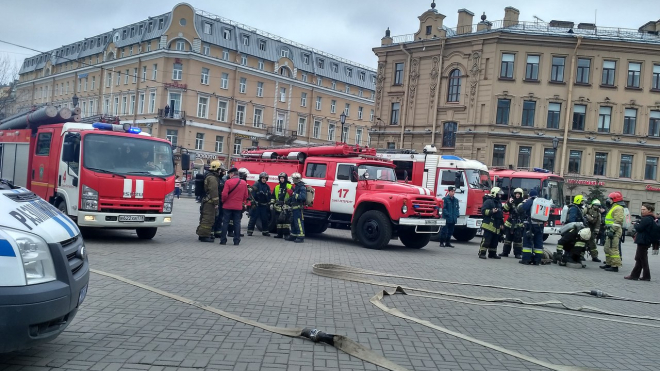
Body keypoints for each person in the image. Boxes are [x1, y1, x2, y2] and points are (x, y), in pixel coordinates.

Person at [625, 204, 656, 281]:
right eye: (642, 209)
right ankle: (635, 275)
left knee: (642, 259)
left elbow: (639, 228)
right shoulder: (650, 218)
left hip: (643, 240)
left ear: (649, 210)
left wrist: (635, 224)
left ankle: (646, 276)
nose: (642, 211)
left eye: (644, 209)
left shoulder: (647, 219)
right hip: (645, 240)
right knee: (639, 258)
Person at [219, 168, 248, 245]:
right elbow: (246, 195)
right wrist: (242, 202)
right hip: (238, 207)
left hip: (227, 206)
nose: (229, 176)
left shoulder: (228, 182)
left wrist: (223, 201)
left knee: (225, 222)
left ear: (232, 174)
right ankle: (236, 240)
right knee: (237, 223)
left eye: (229, 174)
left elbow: (224, 194)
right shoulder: (244, 183)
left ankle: (223, 240)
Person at [195, 161, 221, 242]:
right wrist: (216, 203)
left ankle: (203, 234)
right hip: (210, 202)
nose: (220, 171)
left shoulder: (209, 176)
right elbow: (214, 191)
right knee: (208, 219)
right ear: (216, 169)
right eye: (219, 169)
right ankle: (203, 236)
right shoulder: (212, 178)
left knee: (205, 218)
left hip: (207, 201)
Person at [600, 191, 625, 272]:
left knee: (613, 248)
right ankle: (609, 263)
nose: (608, 200)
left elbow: (618, 221)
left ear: (614, 199)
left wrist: (612, 230)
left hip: (614, 231)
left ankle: (615, 266)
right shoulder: (614, 207)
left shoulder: (618, 208)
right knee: (607, 248)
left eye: (610, 198)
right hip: (610, 230)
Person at [557, 195, 587, 259]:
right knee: (569, 241)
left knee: (573, 242)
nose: (583, 202)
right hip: (573, 228)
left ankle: (572, 255)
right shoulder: (574, 208)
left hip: (576, 228)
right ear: (578, 201)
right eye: (582, 201)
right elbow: (572, 220)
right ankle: (567, 255)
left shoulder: (577, 208)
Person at [519, 189, 545, 265]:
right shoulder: (542, 202)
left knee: (527, 242)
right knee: (538, 243)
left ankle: (526, 259)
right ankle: (537, 260)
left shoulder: (530, 201)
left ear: (530, 195)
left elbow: (522, 209)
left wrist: (522, 203)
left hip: (530, 226)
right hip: (540, 226)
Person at [478, 187, 504, 259]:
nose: (500, 196)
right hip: (489, 224)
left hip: (496, 224)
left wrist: (502, 224)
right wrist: (491, 211)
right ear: (494, 194)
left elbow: (500, 214)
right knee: (486, 240)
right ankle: (482, 253)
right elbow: (483, 211)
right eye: (499, 194)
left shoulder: (499, 202)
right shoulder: (488, 201)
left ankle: (492, 254)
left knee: (494, 241)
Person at [499, 188, 525, 258]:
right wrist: (509, 203)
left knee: (518, 241)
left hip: (518, 224)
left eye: (519, 194)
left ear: (521, 195)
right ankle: (505, 252)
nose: (517, 195)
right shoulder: (511, 201)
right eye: (516, 194)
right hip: (509, 223)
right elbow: (505, 209)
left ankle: (518, 254)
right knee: (507, 240)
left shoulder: (523, 203)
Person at [247, 172, 272, 236]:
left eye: (265, 178)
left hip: (264, 205)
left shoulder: (267, 187)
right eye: (263, 178)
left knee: (264, 219)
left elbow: (269, 195)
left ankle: (265, 231)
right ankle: (250, 231)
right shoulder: (256, 185)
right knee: (253, 218)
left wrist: (269, 203)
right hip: (257, 204)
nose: (264, 179)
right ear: (260, 178)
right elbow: (252, 195)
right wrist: (253, 203)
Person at [287, 172, 307, 243]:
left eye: (293, 179)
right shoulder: (297, 186)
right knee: (293, 222)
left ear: (296, 179)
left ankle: (300, 236)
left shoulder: (302, 187)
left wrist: (293, 193)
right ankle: (293, 235)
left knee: (298, 222)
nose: (292, 180)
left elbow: (303, 197)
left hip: (298, 208)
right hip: (294, 207)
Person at [272, 172, 292, 239]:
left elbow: (292, 196)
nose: (281, 179)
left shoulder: (289, 186)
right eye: (280, 178)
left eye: (283, 178)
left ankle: (286, 234)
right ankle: (279, 234)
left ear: (285, 179)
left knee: (286, 222)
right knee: (278, 221)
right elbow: (273, 196)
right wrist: (272, 204)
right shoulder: (277, 187)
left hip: (286, 206)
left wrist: (290, 204)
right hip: (278, 206)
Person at [212, 165, 227, 238]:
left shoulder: (223, 180)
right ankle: (212, 231)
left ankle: (218, 232)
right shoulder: (216, 179)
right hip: (217, 200)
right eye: (223, 171)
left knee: (220, 217)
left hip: (221, 201)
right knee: (215, 216)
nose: (224, 173)